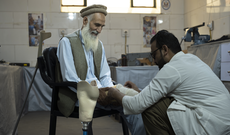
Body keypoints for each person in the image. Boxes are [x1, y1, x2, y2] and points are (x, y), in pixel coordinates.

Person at [106, 30, 230, 135]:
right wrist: (139, 91)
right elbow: (165, 94)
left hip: (211, 126)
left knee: (151, 109)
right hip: (224, 122)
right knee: (161, 102)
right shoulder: (191, 59)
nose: (153, 61)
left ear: (164, 49)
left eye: (154, 54)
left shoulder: (172, 68)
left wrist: (114, 93)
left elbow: (137, 105)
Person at [56, 4, 146, 135]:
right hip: (81, 94)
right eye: (97, 25)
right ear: (85, 21)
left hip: (102, 90)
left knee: (138, 100)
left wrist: (110, 90)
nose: (99, 30)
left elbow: (104, 76)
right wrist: (98, 93)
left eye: (102, 26)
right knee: (131, 103)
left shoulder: (99, 44)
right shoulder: (67, 42)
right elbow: (70, 78)